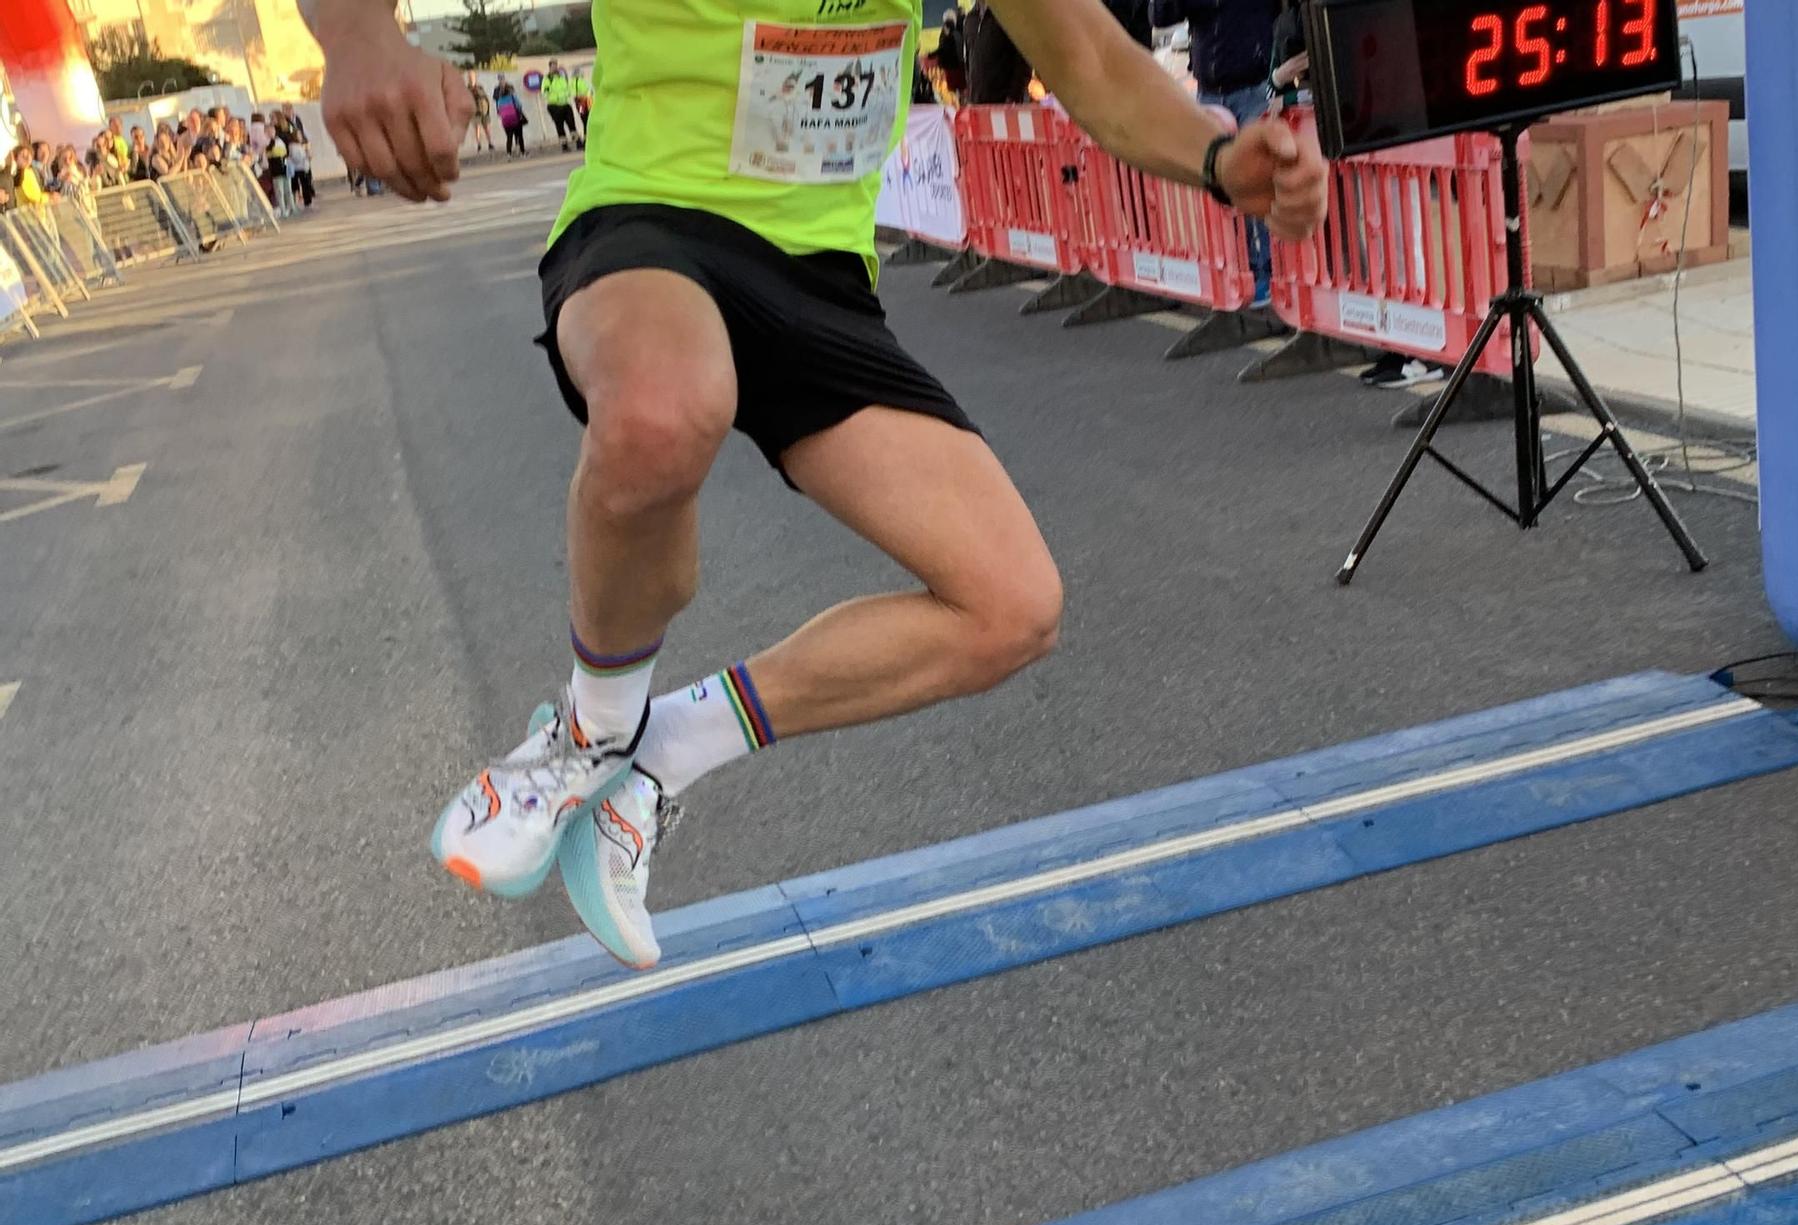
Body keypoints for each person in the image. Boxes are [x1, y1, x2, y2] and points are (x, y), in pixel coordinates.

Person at [308, 0, 1326, 969]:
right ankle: (585, 732)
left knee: (1010, 607)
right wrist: (356, 36)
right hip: (647, 225)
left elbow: (1096, 64)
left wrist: (1215, 157)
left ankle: (658, 754)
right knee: (663, 413)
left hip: (820, 279)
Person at [1150, 0, 1277, 304]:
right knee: (1224, 186)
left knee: (1255, 182)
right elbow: (1162, 16)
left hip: (1252, 90)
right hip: (1210, 93)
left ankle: (1270, 274)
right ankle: (1241, 273)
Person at [542, 60, 580, 151]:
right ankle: (564, 146)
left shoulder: (561, 77)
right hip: (554, 105)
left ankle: (578, 143)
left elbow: (567, 88)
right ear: (550, 67)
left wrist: (568, 94)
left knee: (572, 124)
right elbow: (545, 92)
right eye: (553, 65)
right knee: (560, 126)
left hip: (565, 104)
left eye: (556, 65)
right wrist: (554, 96)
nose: (555, 67)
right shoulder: (547, 79)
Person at [494, 77, 529, 155]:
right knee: (520, 136)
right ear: (510, 90)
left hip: (506, 122)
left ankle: (509, 154)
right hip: (515, 119)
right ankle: (522, 152)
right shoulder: (512, 97)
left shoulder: (499, 100)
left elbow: (499, 111)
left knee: (509, 137)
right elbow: (519, 105)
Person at [468, 79, 496, 152]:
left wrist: (476, 89)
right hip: (475, 112)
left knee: (486, 128)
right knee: (477, 128)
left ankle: (490, 144)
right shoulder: (468, 89)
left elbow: (484, 96)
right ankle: (479, 144)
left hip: (484, 111)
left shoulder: (480, 87)